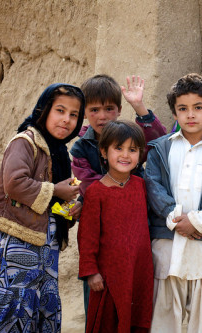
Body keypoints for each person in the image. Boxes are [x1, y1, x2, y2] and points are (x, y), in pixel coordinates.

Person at [0, 83, 85, 332]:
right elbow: (14, 183)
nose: (66, 120)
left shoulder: (59, 152)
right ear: (44, 110)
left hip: (47, 244)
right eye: (60, 110)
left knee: (40, 303)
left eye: (74, 115)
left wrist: (70, 210)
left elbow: (51, 206)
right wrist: (56, 190)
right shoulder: (25, 141)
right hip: (21, 240)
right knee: (15, 303)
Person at [145, 73, 202, 333]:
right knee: (164, 313)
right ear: (174, 113)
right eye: (182, 109)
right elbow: (154, 185)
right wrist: (176, 220)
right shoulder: (160, 148)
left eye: (198, 108)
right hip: (167, 240)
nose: (190, 115)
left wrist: (197, 221)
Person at [70, 74, 165, 320]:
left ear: (119, 110)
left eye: (109, 109)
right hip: (103, 236)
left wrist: (139, 107)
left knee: (133, 302)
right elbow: (88, 186)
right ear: (85, 112)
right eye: (94, 110)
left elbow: (160, 142)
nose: (102, 116)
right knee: (100, 305)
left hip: (135, 235)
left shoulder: (129, 136)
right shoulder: (81, 146)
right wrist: (86, 200)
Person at [78, 120, 153, 333]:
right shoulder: (95, 192)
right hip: (109, 275)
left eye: (132, 149)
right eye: (118, 148)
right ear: (104, 151)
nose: (125, 155)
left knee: (137, 320)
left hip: (139, 270)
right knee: (108, 323)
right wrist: (91, 272)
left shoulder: (141, 186)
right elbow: (87, 237)